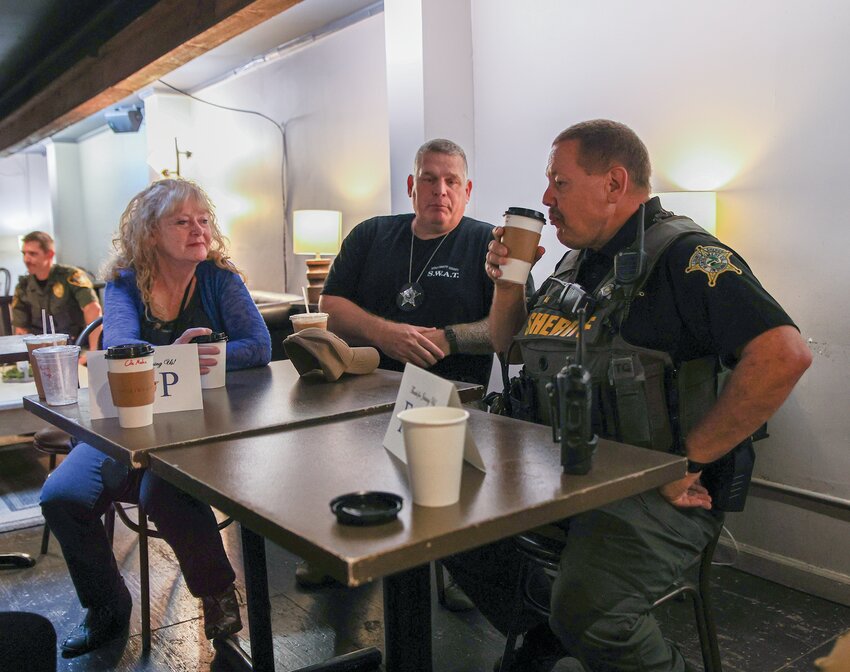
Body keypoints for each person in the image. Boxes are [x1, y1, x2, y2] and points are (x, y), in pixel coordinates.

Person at [443, 120, 812, 672]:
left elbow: (786, 354)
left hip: (655, 488)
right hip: (568, 469)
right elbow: (509, 345)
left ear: (614, 183)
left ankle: (579, 630)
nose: (546, 198)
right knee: (446, 521)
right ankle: (550, 629)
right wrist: (508, 285)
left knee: (592, 613)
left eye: (559, 183)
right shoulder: (577, 261)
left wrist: (690, 460)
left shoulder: (686, 257)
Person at [40, 179, 271, 658]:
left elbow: (260, 346)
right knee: (60, 495)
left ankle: (216, 592)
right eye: (182, 221)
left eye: (203, 220)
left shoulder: (219, 279)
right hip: (129, 426)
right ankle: (107, 606)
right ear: (149, 234)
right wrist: (177, 357)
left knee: (161, 488)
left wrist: (209, 354)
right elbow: (122, 348)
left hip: (206, 430)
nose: (199, 230)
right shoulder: (125, 282)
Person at [312, 139, 494, 602]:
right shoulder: (372, 234)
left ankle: (462, 564)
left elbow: (509, 330)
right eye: (429, 179)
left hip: (455, 405)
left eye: (452, 181)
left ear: (467, 189)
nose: (441, 190)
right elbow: (328, 306)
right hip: (366, 396)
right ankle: (342, 549)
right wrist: (384, 332)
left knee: (452, 490)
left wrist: (451, 337)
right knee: (326, 445)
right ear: (412, 186)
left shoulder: (487, 244)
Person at [12, 230, 102, 355]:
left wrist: (94, 351)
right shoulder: (23, 286)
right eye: (24, 253)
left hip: (76, 349)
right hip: (42, 354)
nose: (26, 259)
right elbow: (21, 329)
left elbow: (92, 309)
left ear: (49, 254)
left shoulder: (71, 276)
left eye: (32, 254)